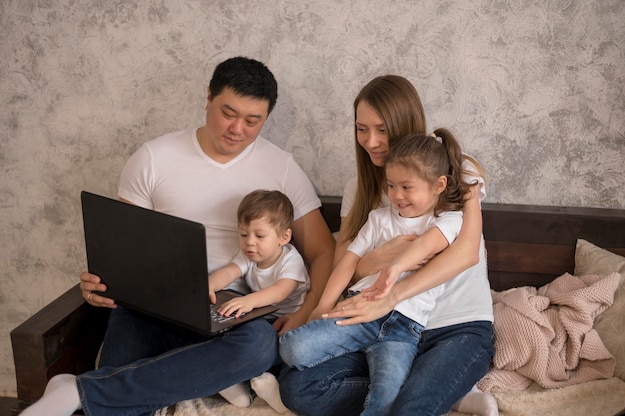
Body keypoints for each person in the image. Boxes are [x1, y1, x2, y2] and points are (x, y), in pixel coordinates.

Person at [22, 56, 335, 416]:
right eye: (228, 113)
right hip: (158, 303)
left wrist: (306, 312)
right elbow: (125, 245)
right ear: (208, 98)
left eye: (253, 121)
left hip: (233, 312)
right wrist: (99, 283)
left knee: (259, 345)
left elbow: (324, 251)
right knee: (127, 365)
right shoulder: (154, 158)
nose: (237, 129)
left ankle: (78, 390)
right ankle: (100, 390)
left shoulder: (281, 168)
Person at [279, 75, 498, 416]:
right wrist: (312, 311)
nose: (371, 140)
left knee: (409, 409)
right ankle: (447, 392)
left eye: (381, 129)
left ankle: (430, 389)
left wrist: (391, 289)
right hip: (381, 321)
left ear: (404, 123)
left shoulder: (454, 168)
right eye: (361, 128)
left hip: (452, 327)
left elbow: (466, 252)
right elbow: (348, 267)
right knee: (297, 387)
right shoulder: (360, 187)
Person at [209, 189, 309, 413]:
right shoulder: (248, 257)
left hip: (291, 318)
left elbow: (280, 292)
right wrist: (209, 286)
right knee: (231, 337)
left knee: (287, 351)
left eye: (259, 236)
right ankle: (238, 386)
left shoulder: (291, 259)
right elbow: (229, 272)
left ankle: (274, 391)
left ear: (283, 237)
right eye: (244, 235)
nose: (249, 243)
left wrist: (249, 301)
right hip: (260, 316)